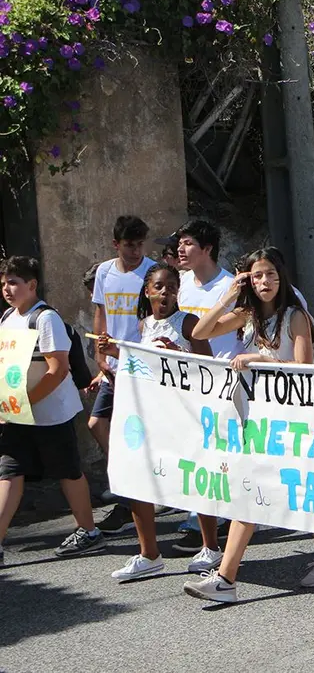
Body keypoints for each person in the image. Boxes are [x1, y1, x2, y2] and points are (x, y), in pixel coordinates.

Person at [183, 247, 314, 602]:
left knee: (303, 489)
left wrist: (260, 357)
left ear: (281, 276)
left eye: (270, 273)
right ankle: (227, 579)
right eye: (256, 276)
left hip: (292, 420)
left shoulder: (294, 317)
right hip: (261, 418)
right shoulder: (248, 314)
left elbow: (303, 369)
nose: (264, 282)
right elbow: (201, 330)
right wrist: (227, 295)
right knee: (250, 492)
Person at [102, 263, 213, 581]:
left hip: (184, 413)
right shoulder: (142, 326)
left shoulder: (189, 322)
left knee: (194, 479)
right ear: (148, 291)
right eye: (160, 286)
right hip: (151, 413)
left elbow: (206, 368)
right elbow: (140, 365)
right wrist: (113, 352)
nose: (166, 292)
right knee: (140, 478)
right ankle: (149, 553)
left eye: (172, 286)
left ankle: (211, 547)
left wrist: (179, 352)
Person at [0, 256, 104, 566]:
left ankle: (88, 530)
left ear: (31, 285)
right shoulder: (7, 318)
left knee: (68, 472)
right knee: (9, 472)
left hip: (51, 415)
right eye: (4, 283)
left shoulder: (45, 319)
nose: (7, 288)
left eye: (14, 282)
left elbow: (57, 370)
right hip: (16, 415)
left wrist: (25, 401)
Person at [172, 219, 241, 560]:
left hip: (224, 380)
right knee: (197, 449)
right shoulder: (181, 285)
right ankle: (205, 513)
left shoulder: (230, 285)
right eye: (180, 244)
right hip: (188, 381)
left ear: (207, 249)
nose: (180, 250)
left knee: (221, 450)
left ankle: (223, 514)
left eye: (187, 243)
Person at [90, 215, 156, 535]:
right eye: (130, 245)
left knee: (139, 430)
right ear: (116, 245)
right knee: (97, 423)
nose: (135, 251)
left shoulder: (152, 272)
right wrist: (100, 356)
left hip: (140, 365)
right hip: (113, 365)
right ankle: (127, 483)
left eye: (140, 244)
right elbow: (100, 313)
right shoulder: (104, 271)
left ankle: (133, 493)